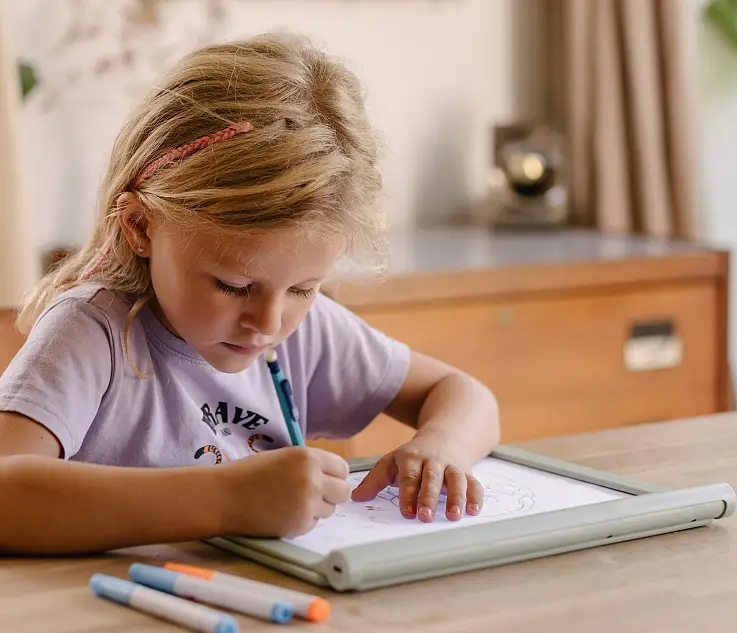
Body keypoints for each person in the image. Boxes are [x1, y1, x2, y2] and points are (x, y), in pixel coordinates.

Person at [0, 33, 499, 554]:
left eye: (305, 288)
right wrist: (223, 500)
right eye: (233, 285)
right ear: (142, 227)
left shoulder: (304, 331)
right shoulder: (91, 332)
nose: (268, 322)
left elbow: (466, 396)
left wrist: (441, 447)